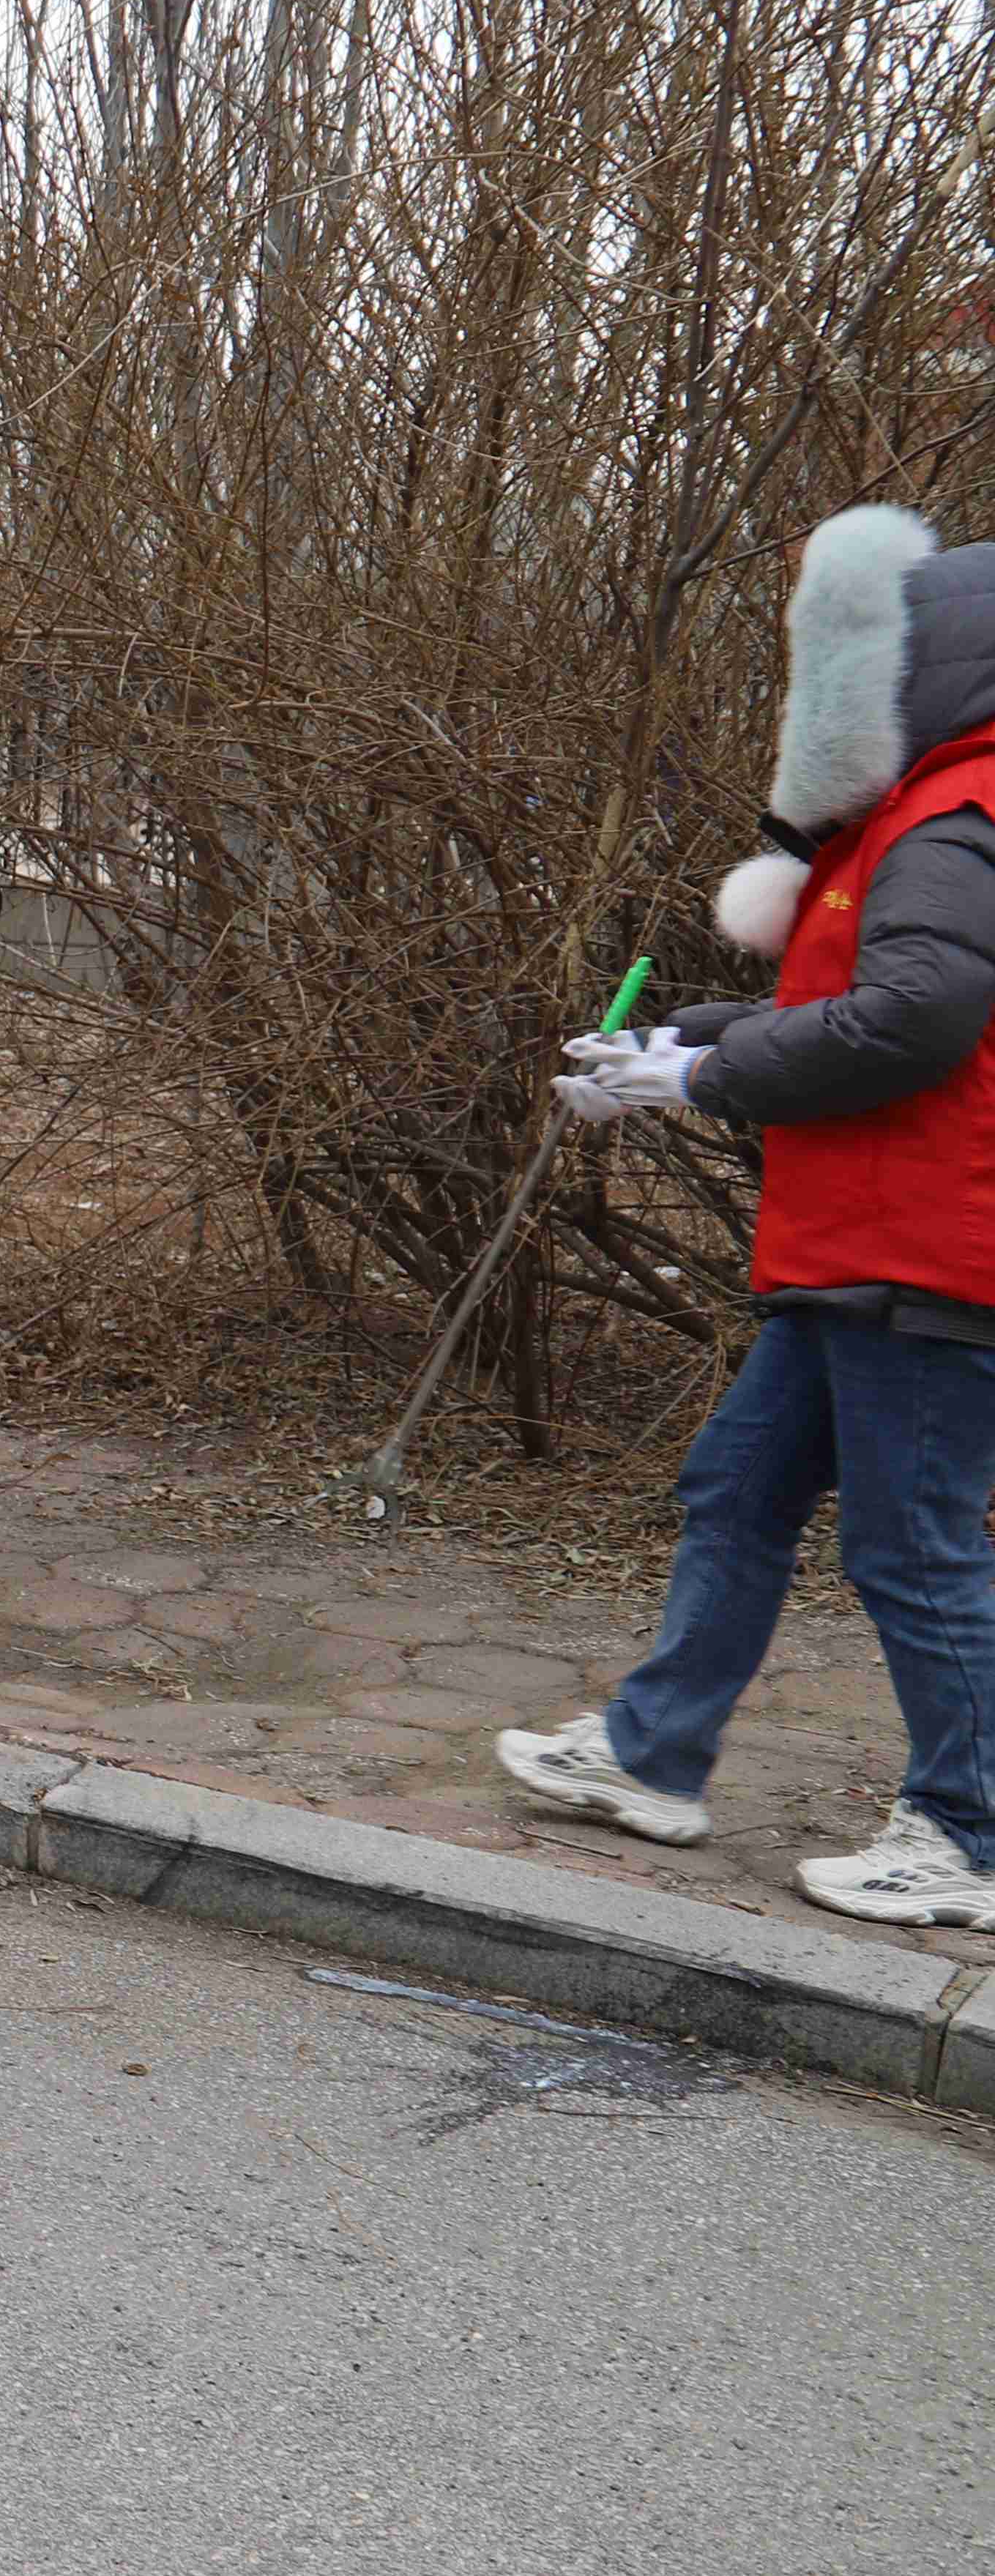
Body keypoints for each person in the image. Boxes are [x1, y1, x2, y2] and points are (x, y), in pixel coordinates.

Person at [497, 504, 995, 1929]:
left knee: (914, 1548)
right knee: (739, 1489)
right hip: (858, 1253)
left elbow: (915, 1018)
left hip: (928, 1257)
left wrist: (701, 1076)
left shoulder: (959, 815)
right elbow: (832, 1005)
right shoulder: (913, 818)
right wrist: (670, 1048)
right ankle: (652, 1756)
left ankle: (968, 1835)